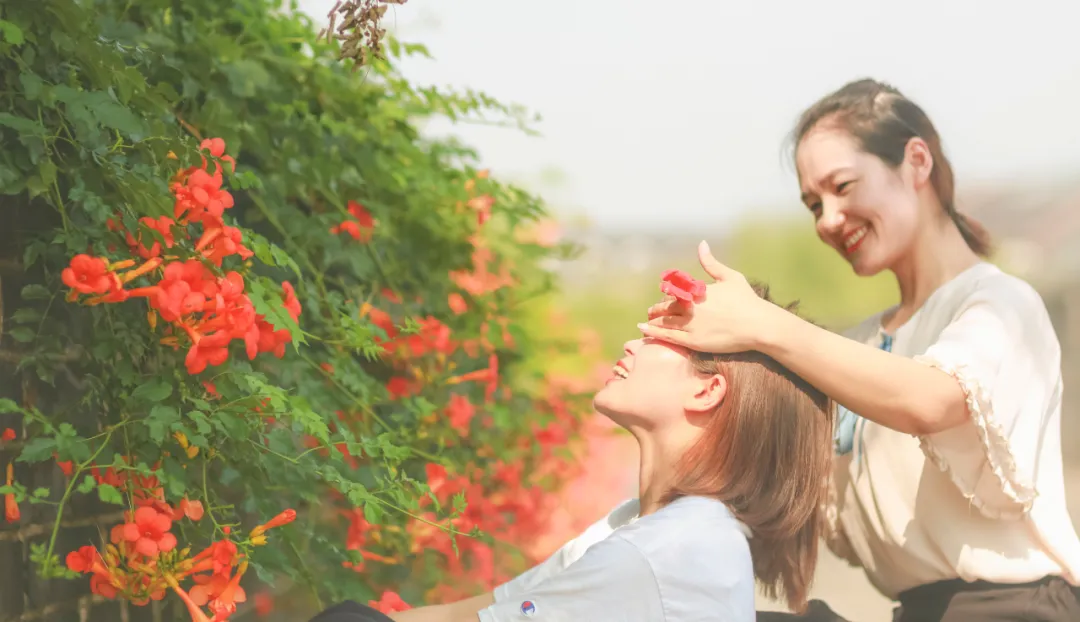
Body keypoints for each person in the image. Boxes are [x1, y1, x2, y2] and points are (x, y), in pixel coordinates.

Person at [642, 78, 1080, 621]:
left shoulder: (999, 303)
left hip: (1016, 609)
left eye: (843, 186)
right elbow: (778, 481)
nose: (827, 219)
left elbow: (930, 401)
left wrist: (763, 325)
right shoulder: (861, 345)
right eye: (812, 204)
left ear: (916, 162)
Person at [309, 285, 836, 622]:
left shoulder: (666, 549)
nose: (634, 341)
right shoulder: (646, 527)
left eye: (663, 335)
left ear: (706, 390)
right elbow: (469, 613)